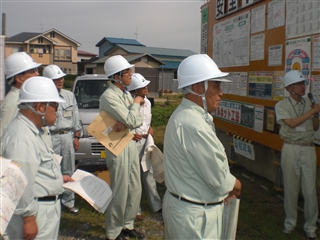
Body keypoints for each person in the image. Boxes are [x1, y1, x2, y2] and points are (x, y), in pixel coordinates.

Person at [162, 54, 242, 239]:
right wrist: (237, 185)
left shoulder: (187, 116)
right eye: (216, 86)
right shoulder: (193, 124)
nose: (220, 92)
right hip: (196, 219)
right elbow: (219, 179)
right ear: (198, 87)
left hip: (187, 211)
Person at [1, 76, 74, 239]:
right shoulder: (22, 137)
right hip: (36, 212)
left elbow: (35, 170)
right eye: (54, 106)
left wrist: (58, 179)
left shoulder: (32, 131)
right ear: (40, 107)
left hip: (42, 208)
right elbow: (19, 183)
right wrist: (28, 220)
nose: (57, 112)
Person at [100, 55, 145, 240]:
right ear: (116, 76)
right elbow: (133, 119)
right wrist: (135, 105)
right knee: (119, 189)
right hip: (117, 146)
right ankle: (113, 231)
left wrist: (127, 123)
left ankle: (127, 224)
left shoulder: (126, 94)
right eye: (126, 71)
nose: (130, 74)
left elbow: (135, 122)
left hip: (129, 142)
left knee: (135, 187)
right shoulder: (109, 96)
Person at [275, 70, 320, 240]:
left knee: (310, 191)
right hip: (291, 148)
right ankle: (290, 223)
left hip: (308, 148)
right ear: (289, 88)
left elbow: (315, 127)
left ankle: (311, 227)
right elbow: (292, 124)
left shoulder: (308, 102)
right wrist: (312, 111)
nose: (303, 87)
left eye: (303, 83)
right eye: (299, 84)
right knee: (291, 188)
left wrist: (316, 115)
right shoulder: (282, 105)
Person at [43, 65, 81, 214]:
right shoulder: (43, 97)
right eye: (56, 79)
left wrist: (76, 136)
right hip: (50, 136)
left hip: (67, 136)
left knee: (68, 169)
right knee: (50, 169)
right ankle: (52, 200)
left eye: (61, 77)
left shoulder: (68, 96)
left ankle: (69, 202)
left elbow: (75, 115)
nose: (60, 81)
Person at [127, 73, 162, 221]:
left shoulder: (147, 102)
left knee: (148, 172)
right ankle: (136, 210)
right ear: (135, 90)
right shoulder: (129, 103)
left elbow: (146, 120)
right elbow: (124, 121)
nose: (146, 88)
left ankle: (156, 205)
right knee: (134, 177)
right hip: (134, 143)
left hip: (146, 141)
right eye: (143, 87)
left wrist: (150, 128)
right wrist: (130, 134)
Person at [0, 52, 41, 137]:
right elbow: (5, 134)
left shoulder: (22, 97)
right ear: (19, 78)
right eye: (32, 71)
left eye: (36, 70)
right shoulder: (14, 101)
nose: (37, 74)